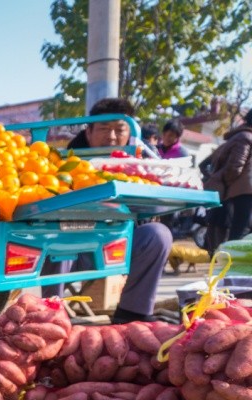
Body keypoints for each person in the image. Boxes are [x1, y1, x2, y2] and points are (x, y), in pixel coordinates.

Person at [44, 98, 172, 324]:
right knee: (58, 235)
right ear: (89, 131)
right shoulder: (63, 163)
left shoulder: (142, 163)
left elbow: (158, 205)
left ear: (130, 132)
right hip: (71, 250)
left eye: (119, 129)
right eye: (104, 129)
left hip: (116, 246)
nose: (112, 137)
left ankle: (133, 313)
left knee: (158, 235)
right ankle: (51, 316)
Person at [201, 110, 252, 254]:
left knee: (240, 231)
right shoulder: (246, 137)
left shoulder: (241, 136)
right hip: (244, 192)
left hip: (241, 190)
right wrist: (228, 183)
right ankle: (232, 268)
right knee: (240, 232)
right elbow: (235, 166)